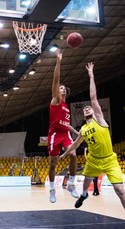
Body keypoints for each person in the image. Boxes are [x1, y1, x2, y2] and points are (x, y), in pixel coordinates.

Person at [59, 62, 125, 229]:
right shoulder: (83, 129)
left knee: (120, 191)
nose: (87, 108)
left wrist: (91, 75)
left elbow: (93, 96)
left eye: (89, 107)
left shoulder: (100, 119)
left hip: (109, 160)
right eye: (85, 109)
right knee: (85, 182)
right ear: (83, 115)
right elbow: (75, 144)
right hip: (93, 160)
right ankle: (83, 195)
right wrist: (65, 154)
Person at [47, 48, 79, 203]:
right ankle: (52, 189)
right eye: (59, 88)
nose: (61, 88)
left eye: (63, 88)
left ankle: (71, 184)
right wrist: (58, 62)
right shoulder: (56, 101)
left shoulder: (66, 106)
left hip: (65, 134)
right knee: (53, 164)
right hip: (54, 135)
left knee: (73, 155)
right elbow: (56, 80)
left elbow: (66, 124)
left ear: (66, 92)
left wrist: (77, 132)